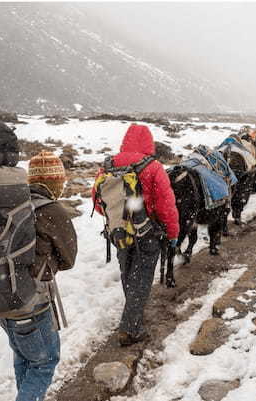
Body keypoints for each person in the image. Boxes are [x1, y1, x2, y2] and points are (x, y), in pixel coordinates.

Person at [0, 150, 78, 401]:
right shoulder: (52, 211)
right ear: (56, 182)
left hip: (1, 297)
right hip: (31, 302)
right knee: (44, 363)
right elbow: (68, 259)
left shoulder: (10, 204)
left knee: (25, 358)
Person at [92, 124, 179, 346]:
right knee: (141, 278)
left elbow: (98, 200)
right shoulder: (153, 167)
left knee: (128, 274)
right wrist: (172, 232)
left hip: (119, 231)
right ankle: (131, 328)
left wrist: (119, 218)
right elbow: (165, 204)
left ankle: (133, 316)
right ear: (149, 143)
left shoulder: (109, 165)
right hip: (147, 232)